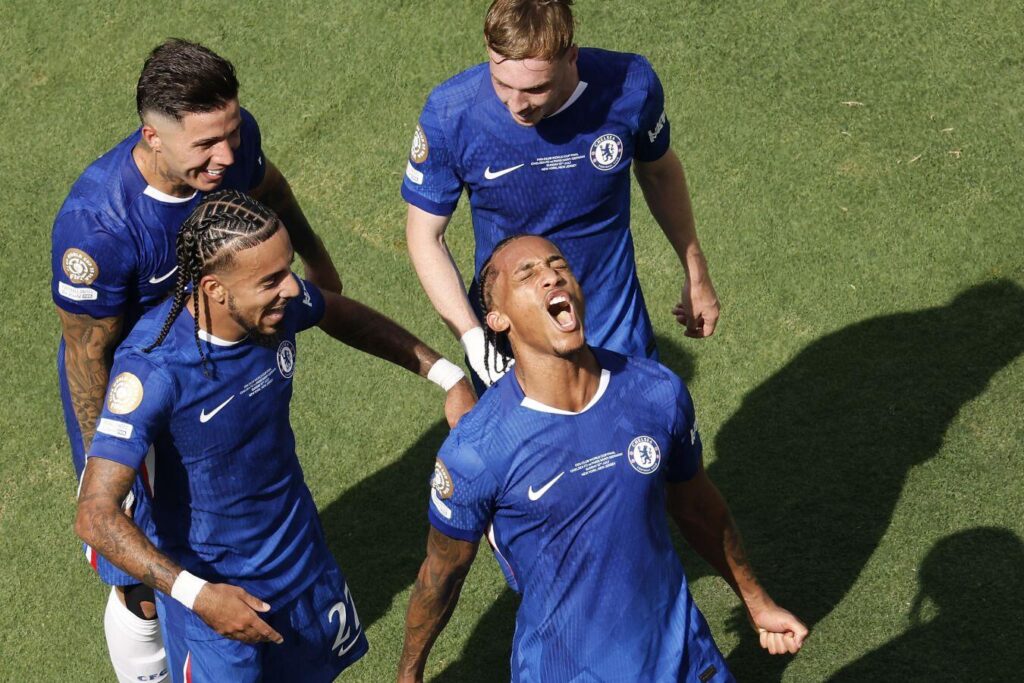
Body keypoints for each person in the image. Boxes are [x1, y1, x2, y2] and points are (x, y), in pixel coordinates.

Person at [76, 190, 475, 682]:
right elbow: (94, 515)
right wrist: (199, 596)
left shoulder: (274, 310)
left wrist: (447, 376)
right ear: (215, 289)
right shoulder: (153, 372)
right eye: (270, 280)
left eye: (287, 269)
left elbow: (336, 311)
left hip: (304, 564)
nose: (291, 287)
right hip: (220, 600)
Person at [51, 39, 341, 682]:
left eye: (232, 133)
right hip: (135, 402)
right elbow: (89, 354)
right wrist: (116, 466)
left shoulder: (231, 149)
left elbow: (269, 187)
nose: (226, 155)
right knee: (141, 579)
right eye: (206, 144)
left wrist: (318, 262)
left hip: (213, 383)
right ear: (152, 136)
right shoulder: (98, 226)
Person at [397, 235, 805, 682]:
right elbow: (441, 575)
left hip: (687, 663)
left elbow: (698, 508)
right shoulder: (478, 449)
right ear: (497, 319)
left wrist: (756, 601)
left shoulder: (655, 391)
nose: (551, 276)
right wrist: (409, 674)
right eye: (527, 274)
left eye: (558, 266)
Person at [403, 0, 720, 388]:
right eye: (502, 84)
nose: (517, 104)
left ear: (571, 57)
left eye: (536, 88)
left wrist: (695, 271)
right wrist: (473, 340)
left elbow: (659, 173)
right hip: (516, 347)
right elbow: (425, 235)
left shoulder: (630, 87)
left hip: (617, 332)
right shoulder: (451, 113)